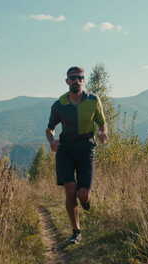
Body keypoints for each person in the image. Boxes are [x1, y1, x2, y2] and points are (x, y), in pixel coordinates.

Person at [45, 66, 108, 244]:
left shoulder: (93, 100)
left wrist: (103, 132)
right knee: (70, 190)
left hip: (86, 148)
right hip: (65, 150)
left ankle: (85, 200)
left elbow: (102, 123)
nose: (76, 81)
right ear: (67, 81)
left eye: (80, 78)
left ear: (84, 80)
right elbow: (49, 129)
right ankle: (76, 231)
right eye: (73, 78)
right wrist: (52, 141)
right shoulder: (60, 104)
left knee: (83, 194)